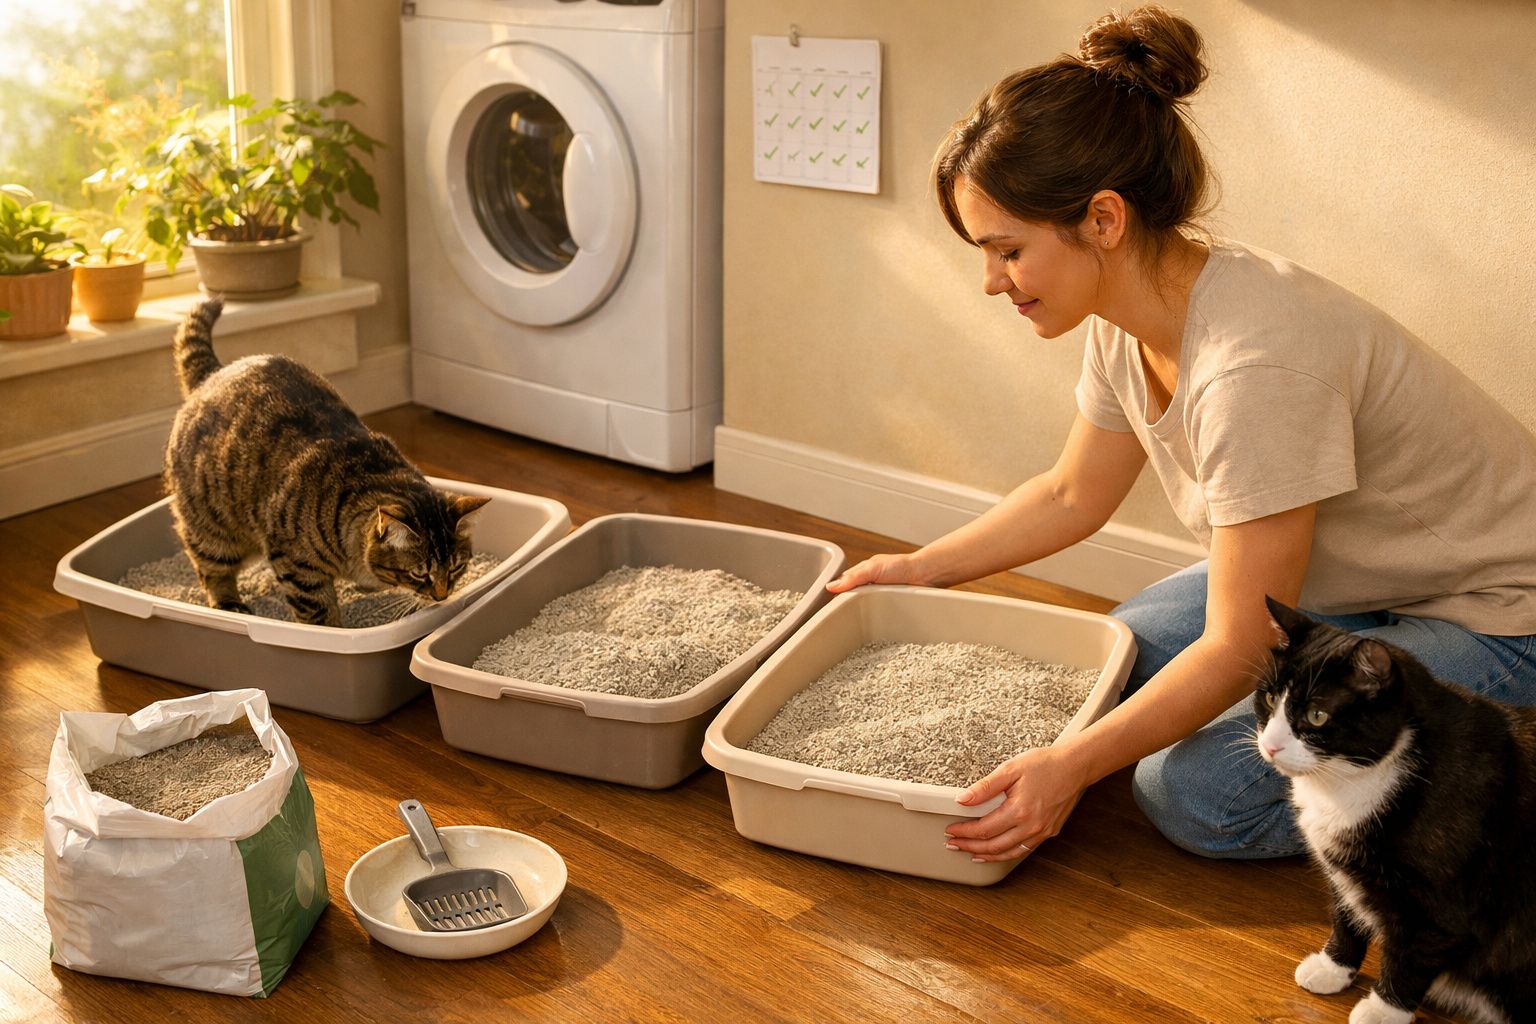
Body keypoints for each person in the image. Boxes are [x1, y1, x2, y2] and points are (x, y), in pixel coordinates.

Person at [826, 4, 1536, 862]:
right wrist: (916, 567)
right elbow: (1070, 493)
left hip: (1500, 619)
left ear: (1103, 219)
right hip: (1358, 585)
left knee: (1195, 796)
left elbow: (1239, 645)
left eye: (1007, 251)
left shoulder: (1255, 365)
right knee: (1119, 652)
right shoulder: (1128, 314)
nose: (991, 280)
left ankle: (1500, 760)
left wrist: (1069, 768)